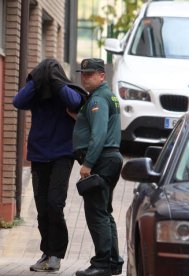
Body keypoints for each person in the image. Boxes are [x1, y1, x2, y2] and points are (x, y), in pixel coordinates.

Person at [13, 58, 87, 272]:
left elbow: (74, 102)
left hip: (63, 155)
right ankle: (47, 252)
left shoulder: (64, 91)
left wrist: (55, 82)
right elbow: (18, 101)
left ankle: (56, 254)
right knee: (42, 208)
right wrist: (37, 81)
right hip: (39, 154)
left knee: (55, 204)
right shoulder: (36, 93)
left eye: (50, 75)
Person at [73, 58, 124, 276]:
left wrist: (88, 163)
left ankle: (101, 264)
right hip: (110, 159)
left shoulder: (98, 99)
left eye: (90, 74)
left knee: (96, 213)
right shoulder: (106, 96)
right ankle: (113, 262)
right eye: (83, 73)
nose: (85, 77)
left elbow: (99, 134)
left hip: (101, 160)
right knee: (104, 212)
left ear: (102, 75)